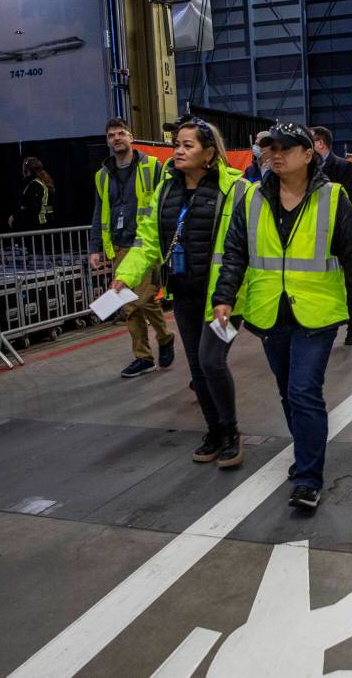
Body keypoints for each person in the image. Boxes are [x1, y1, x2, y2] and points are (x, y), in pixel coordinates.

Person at [212, 123, 352, 510]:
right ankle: (307, 454)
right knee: (287, 391)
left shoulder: (333, 198)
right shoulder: (253, 199)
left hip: (316, 313)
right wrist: (223, 297)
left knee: (303, 391)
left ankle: (308, 477)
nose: (275, 154)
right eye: (270, 148)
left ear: (309, 155)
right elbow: (235, 253)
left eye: (285, 148)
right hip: (270, 311)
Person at [113, 118, 250, 468]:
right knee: (197, 366)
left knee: (211, 360)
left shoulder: (237, 190)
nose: (178, 150)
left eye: (188, 145)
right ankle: (214, 431)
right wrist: (125, 276)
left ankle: (232, 432)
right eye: (177, 144)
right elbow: (146, 241)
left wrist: (230, 296)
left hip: (226, 300)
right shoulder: (166, 191)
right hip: (186, 294)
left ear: (209, 152)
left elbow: (248, 246)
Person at [89, 117, 175, 378]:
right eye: (111, 135)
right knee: (129, 306)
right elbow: (98, 212)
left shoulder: (152, 166)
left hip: (146, 246)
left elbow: (166, 202)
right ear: (107, 141)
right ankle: (143, 357)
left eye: (120, 133)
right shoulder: (102, 175)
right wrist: (95, 247)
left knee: (144, 300)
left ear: (131, 136)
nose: (116, 138)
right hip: (119, 247)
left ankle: (165, 336)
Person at [311, 126, 352, 347]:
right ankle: (324, 326)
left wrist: (347, 233)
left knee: (347, 283)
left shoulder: (345, 167)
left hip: (340, 237)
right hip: (313, 238)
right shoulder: (306, 170)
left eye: (310, 140)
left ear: (320, 143)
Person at [8, 157, 55, 231]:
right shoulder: (42, 182)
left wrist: (15, 216)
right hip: (45, 226)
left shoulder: (35, 185)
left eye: (24, 170)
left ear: (27, 170)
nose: (22, 172)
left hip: (38, 228)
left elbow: (34, 208)